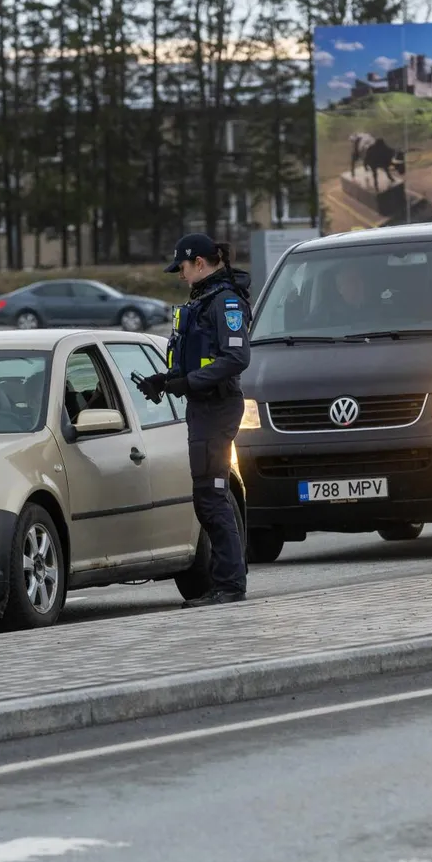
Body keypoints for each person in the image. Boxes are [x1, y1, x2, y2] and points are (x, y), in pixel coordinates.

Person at [134, 233, 253, 606]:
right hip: (202, 409)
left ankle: (230, 585)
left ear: (199, 263)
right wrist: (166, 382)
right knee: (208, 497)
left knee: (213, 497)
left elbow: (236, 359)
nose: (180, 275)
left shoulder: (225, 301)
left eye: (182, 268)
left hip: (217, 409)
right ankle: (225, 583)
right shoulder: (202, 300)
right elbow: (193, 358)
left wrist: (189, 382)